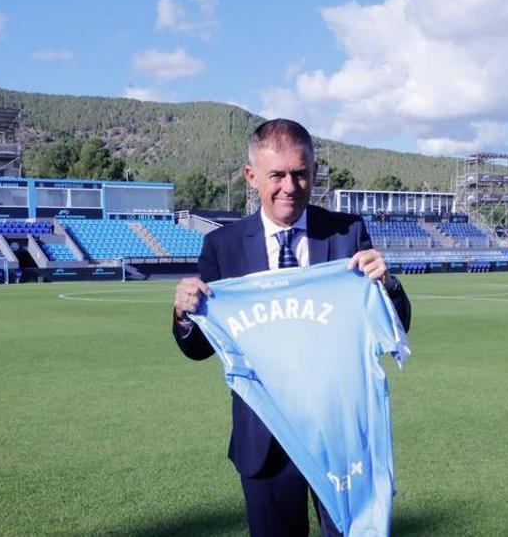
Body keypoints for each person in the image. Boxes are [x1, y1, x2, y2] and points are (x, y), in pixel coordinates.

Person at [171, 118, 411, 536]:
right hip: (265, 443)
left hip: (340, 439)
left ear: (313, 173)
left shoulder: (347, 234)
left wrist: (387, 286)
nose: (290, 186)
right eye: (276, 175)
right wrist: (183, 314)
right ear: (251, 177)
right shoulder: (222, 247)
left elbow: (393, 326)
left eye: (300, 174)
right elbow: (198, 349)